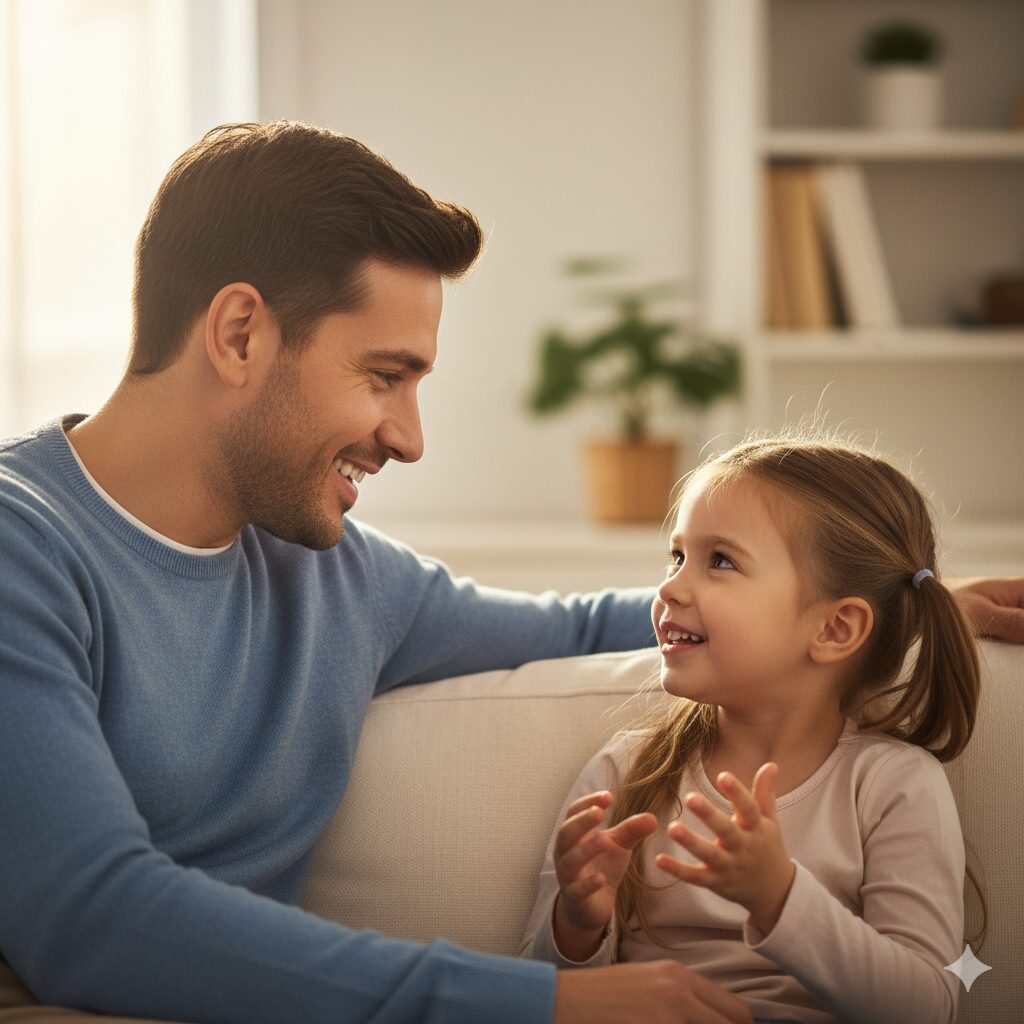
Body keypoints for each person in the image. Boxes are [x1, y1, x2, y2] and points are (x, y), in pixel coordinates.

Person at [0, 121, 1018, 1024]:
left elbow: (573, 626)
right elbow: (91, 918)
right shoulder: (23, 550)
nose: (409, 438)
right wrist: (544, 1002)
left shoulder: (340, 579)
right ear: (239, 334)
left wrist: (898, 605)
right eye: (385, 376)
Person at [520, 434, 986, 1024]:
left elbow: (927, 1007)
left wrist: (779, 897)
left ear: (835, 629)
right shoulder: (628, 772)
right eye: (676, 556)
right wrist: (575, 925)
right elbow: (535, 996)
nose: (668, 587)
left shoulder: (892, 784)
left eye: (720, 560)